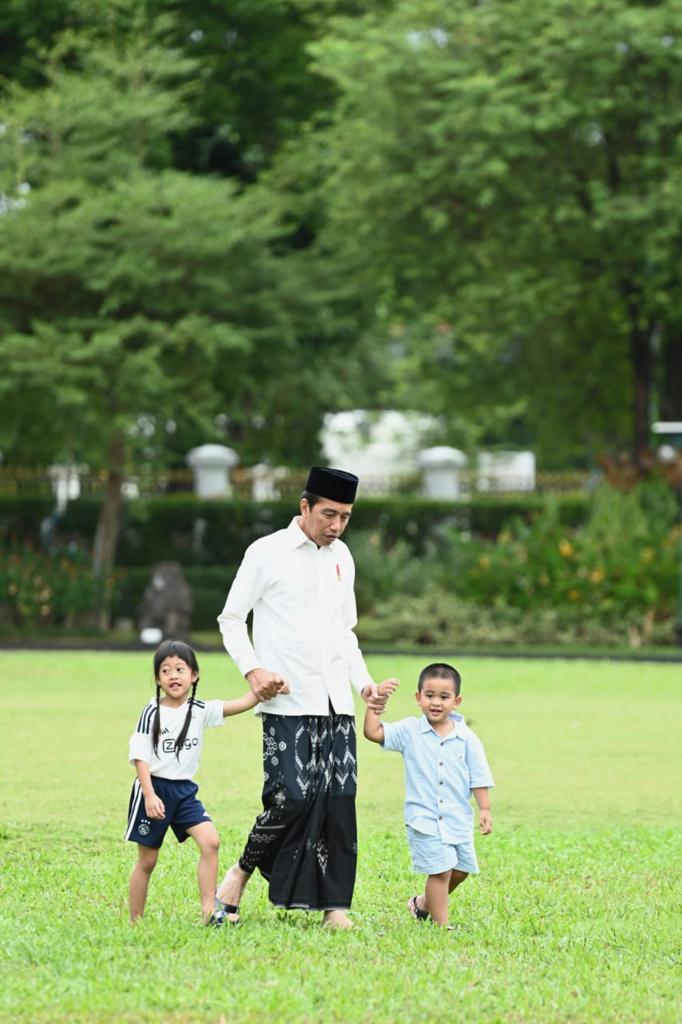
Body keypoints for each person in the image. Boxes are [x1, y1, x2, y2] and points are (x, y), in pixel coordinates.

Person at [215, 466, 392, 930]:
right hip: (287, 701)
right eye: (329, 514)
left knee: (339, 803)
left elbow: (345, 632)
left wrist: (365, 685)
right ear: (305, 506)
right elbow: (231, 619)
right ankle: (238, 875)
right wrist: (254, 671)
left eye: (346, 517)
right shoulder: (266, 552)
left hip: (337, 702)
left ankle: (335, 908)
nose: (336, 525)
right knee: (289, 798)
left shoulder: (343, 557)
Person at [125, 638, 287, 925]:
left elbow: (242, 703)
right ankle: (135, 921)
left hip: (184, 792)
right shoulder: (152, 712)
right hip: (155, 788)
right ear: (158, 679)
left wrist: (268, 687)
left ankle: (209, 912)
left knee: (211, 842)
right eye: (165, 671)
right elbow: (140, 757)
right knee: (148, 860)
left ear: (194, 675)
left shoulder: (199, 710)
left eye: (180, 669)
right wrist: (149, 795)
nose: (173, 676)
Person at [364, 662, 494, 928]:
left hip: (457, 818)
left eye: (444, 697)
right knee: (440, 871)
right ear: (418, 697)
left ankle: (423, 904)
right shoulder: (410, 731)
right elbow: (373, 732)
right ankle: (440, 925)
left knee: (461, 870)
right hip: (424, 818)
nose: (436, 702)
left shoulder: (467, 738)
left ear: (456, 701)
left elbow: (479, 775)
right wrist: (374, 706)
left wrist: (484, 809)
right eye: (430, 695)